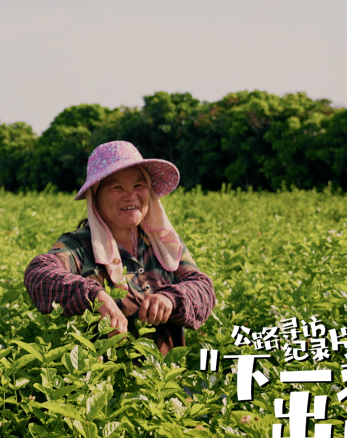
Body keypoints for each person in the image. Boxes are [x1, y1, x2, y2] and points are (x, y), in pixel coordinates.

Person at [23, 141, 216, 355]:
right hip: (105, 384)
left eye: (139, 185)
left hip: (165, 383)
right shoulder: (79, 246)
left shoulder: (163, 242)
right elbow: (38, 274)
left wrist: (170, 299)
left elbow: (203, 289)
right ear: (95, 196)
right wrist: (95, 296)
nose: (130, 195)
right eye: (117, 187)